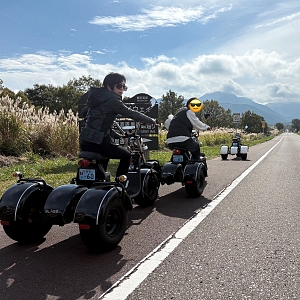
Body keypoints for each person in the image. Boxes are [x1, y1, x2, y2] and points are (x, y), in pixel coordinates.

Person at [80, 72, 155, 178]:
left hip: (85, 142)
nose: (122, 89)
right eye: (119, 86)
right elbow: (130, 112)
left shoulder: (96, 99)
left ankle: (99, 180)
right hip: (100, 143)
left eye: (124, 87)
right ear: (109, 86)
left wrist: (115, 134)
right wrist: (150, 120)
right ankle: (121, 183)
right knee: (126, 155)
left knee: (103, 159)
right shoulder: (112, 100)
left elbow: (93, 119)